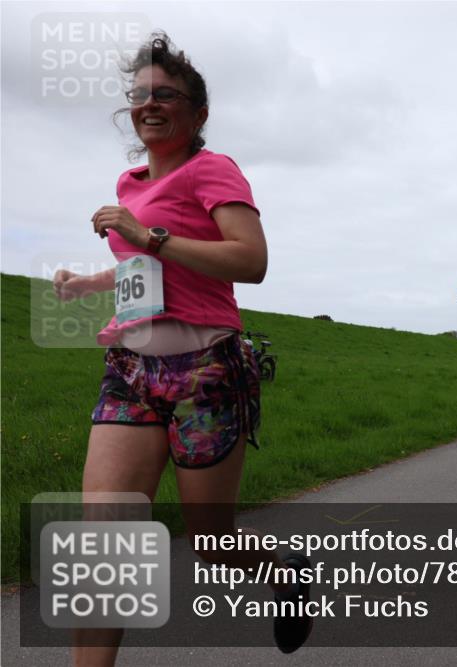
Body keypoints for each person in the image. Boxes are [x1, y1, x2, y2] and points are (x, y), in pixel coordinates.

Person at [51, 34, 311, 663]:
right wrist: (92, 280)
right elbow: (148, 266)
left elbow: (251, 261)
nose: (149, 104)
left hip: (207, 373)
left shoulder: (212, 169)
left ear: (197, 114)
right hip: (131, 370)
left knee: (212, 545)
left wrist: (149, 234)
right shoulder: (129, 180)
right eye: (139, 95)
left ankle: (286, 579)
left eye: (165, 94)